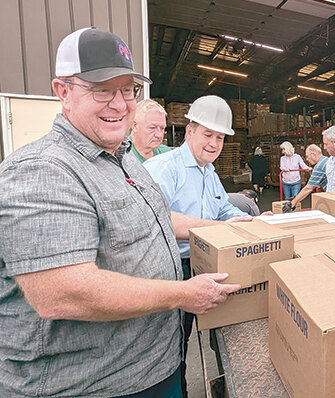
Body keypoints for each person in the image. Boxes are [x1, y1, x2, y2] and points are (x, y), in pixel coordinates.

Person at [0, 28, 239, 398]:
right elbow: (63, 293)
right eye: (102, 90)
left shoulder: (123, 158)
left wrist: (230, 227)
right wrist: (182, 294)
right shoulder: (42, 172)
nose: (119, 103)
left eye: (128, 90)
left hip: (155, 367)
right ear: (62, 91)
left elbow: (161, 220)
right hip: (96, 384)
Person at [143, 95, 252, 396]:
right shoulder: (164, 169)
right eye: (208, 134)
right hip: (170, 271)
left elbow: (224, 210)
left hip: (201, 266)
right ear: (189, 132)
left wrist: (254, 221)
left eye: (220, 137)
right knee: (170, 348)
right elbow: (160, 218)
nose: (214, 143)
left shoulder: (210, 173)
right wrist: (221, 227)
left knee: (196, 337)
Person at [290, 144, 329, 209]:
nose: (307, 159)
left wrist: (292, 203)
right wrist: (297, 198)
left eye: (307, 156)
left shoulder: (319, 166)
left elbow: (308, 188)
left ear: (313, 155)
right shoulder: (326, 159)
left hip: (334, 195)